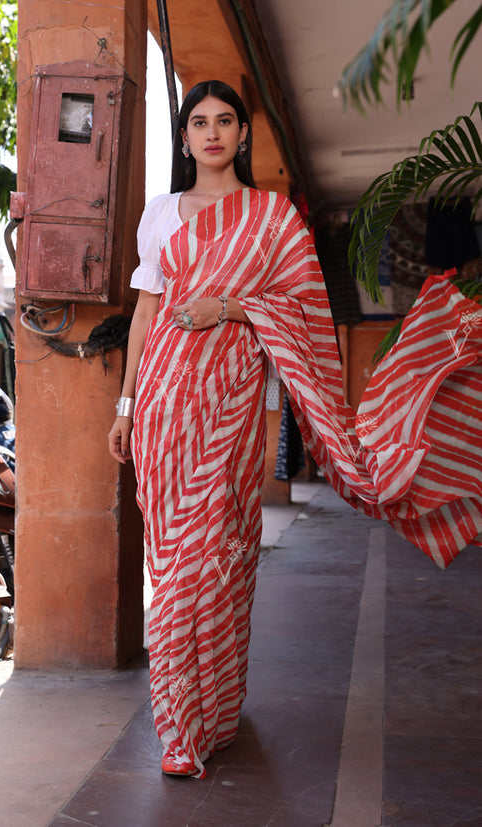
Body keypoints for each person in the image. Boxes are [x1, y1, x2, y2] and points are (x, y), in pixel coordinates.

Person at [108, 80, 482, 779]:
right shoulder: (160, 215)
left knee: (212, 552)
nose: (212, 132)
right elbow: (143, 314)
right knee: (172, 557)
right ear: (184, 137)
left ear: (242, 135)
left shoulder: (272, 218)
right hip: (163, 401)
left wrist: (229, 307)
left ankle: (202, 719)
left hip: (231, 401)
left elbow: (304, 315)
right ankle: (180, 717)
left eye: (225, 121)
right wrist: (126, 406)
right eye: (199, 122)